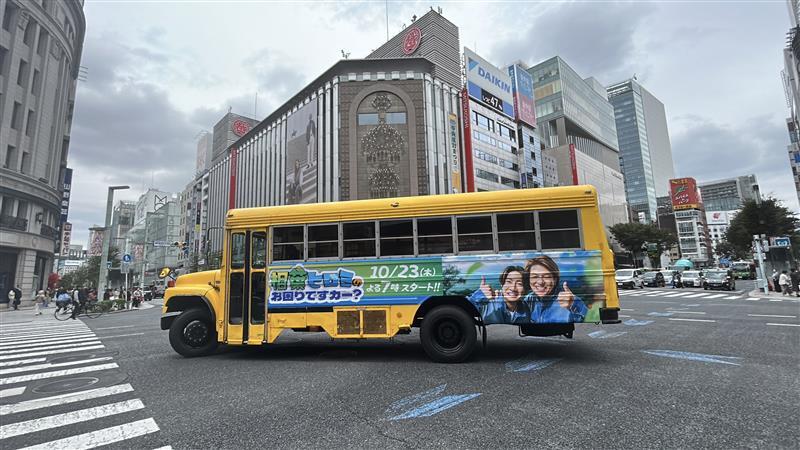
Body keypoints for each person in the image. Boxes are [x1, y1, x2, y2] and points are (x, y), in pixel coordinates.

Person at [523, 255, 588, 323]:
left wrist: (574, 303)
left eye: (547, 277)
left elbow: (589, 318)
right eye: (534, 277)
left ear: (555, 279)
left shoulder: (568, 300)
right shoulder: (529, 299)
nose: (540, 282)